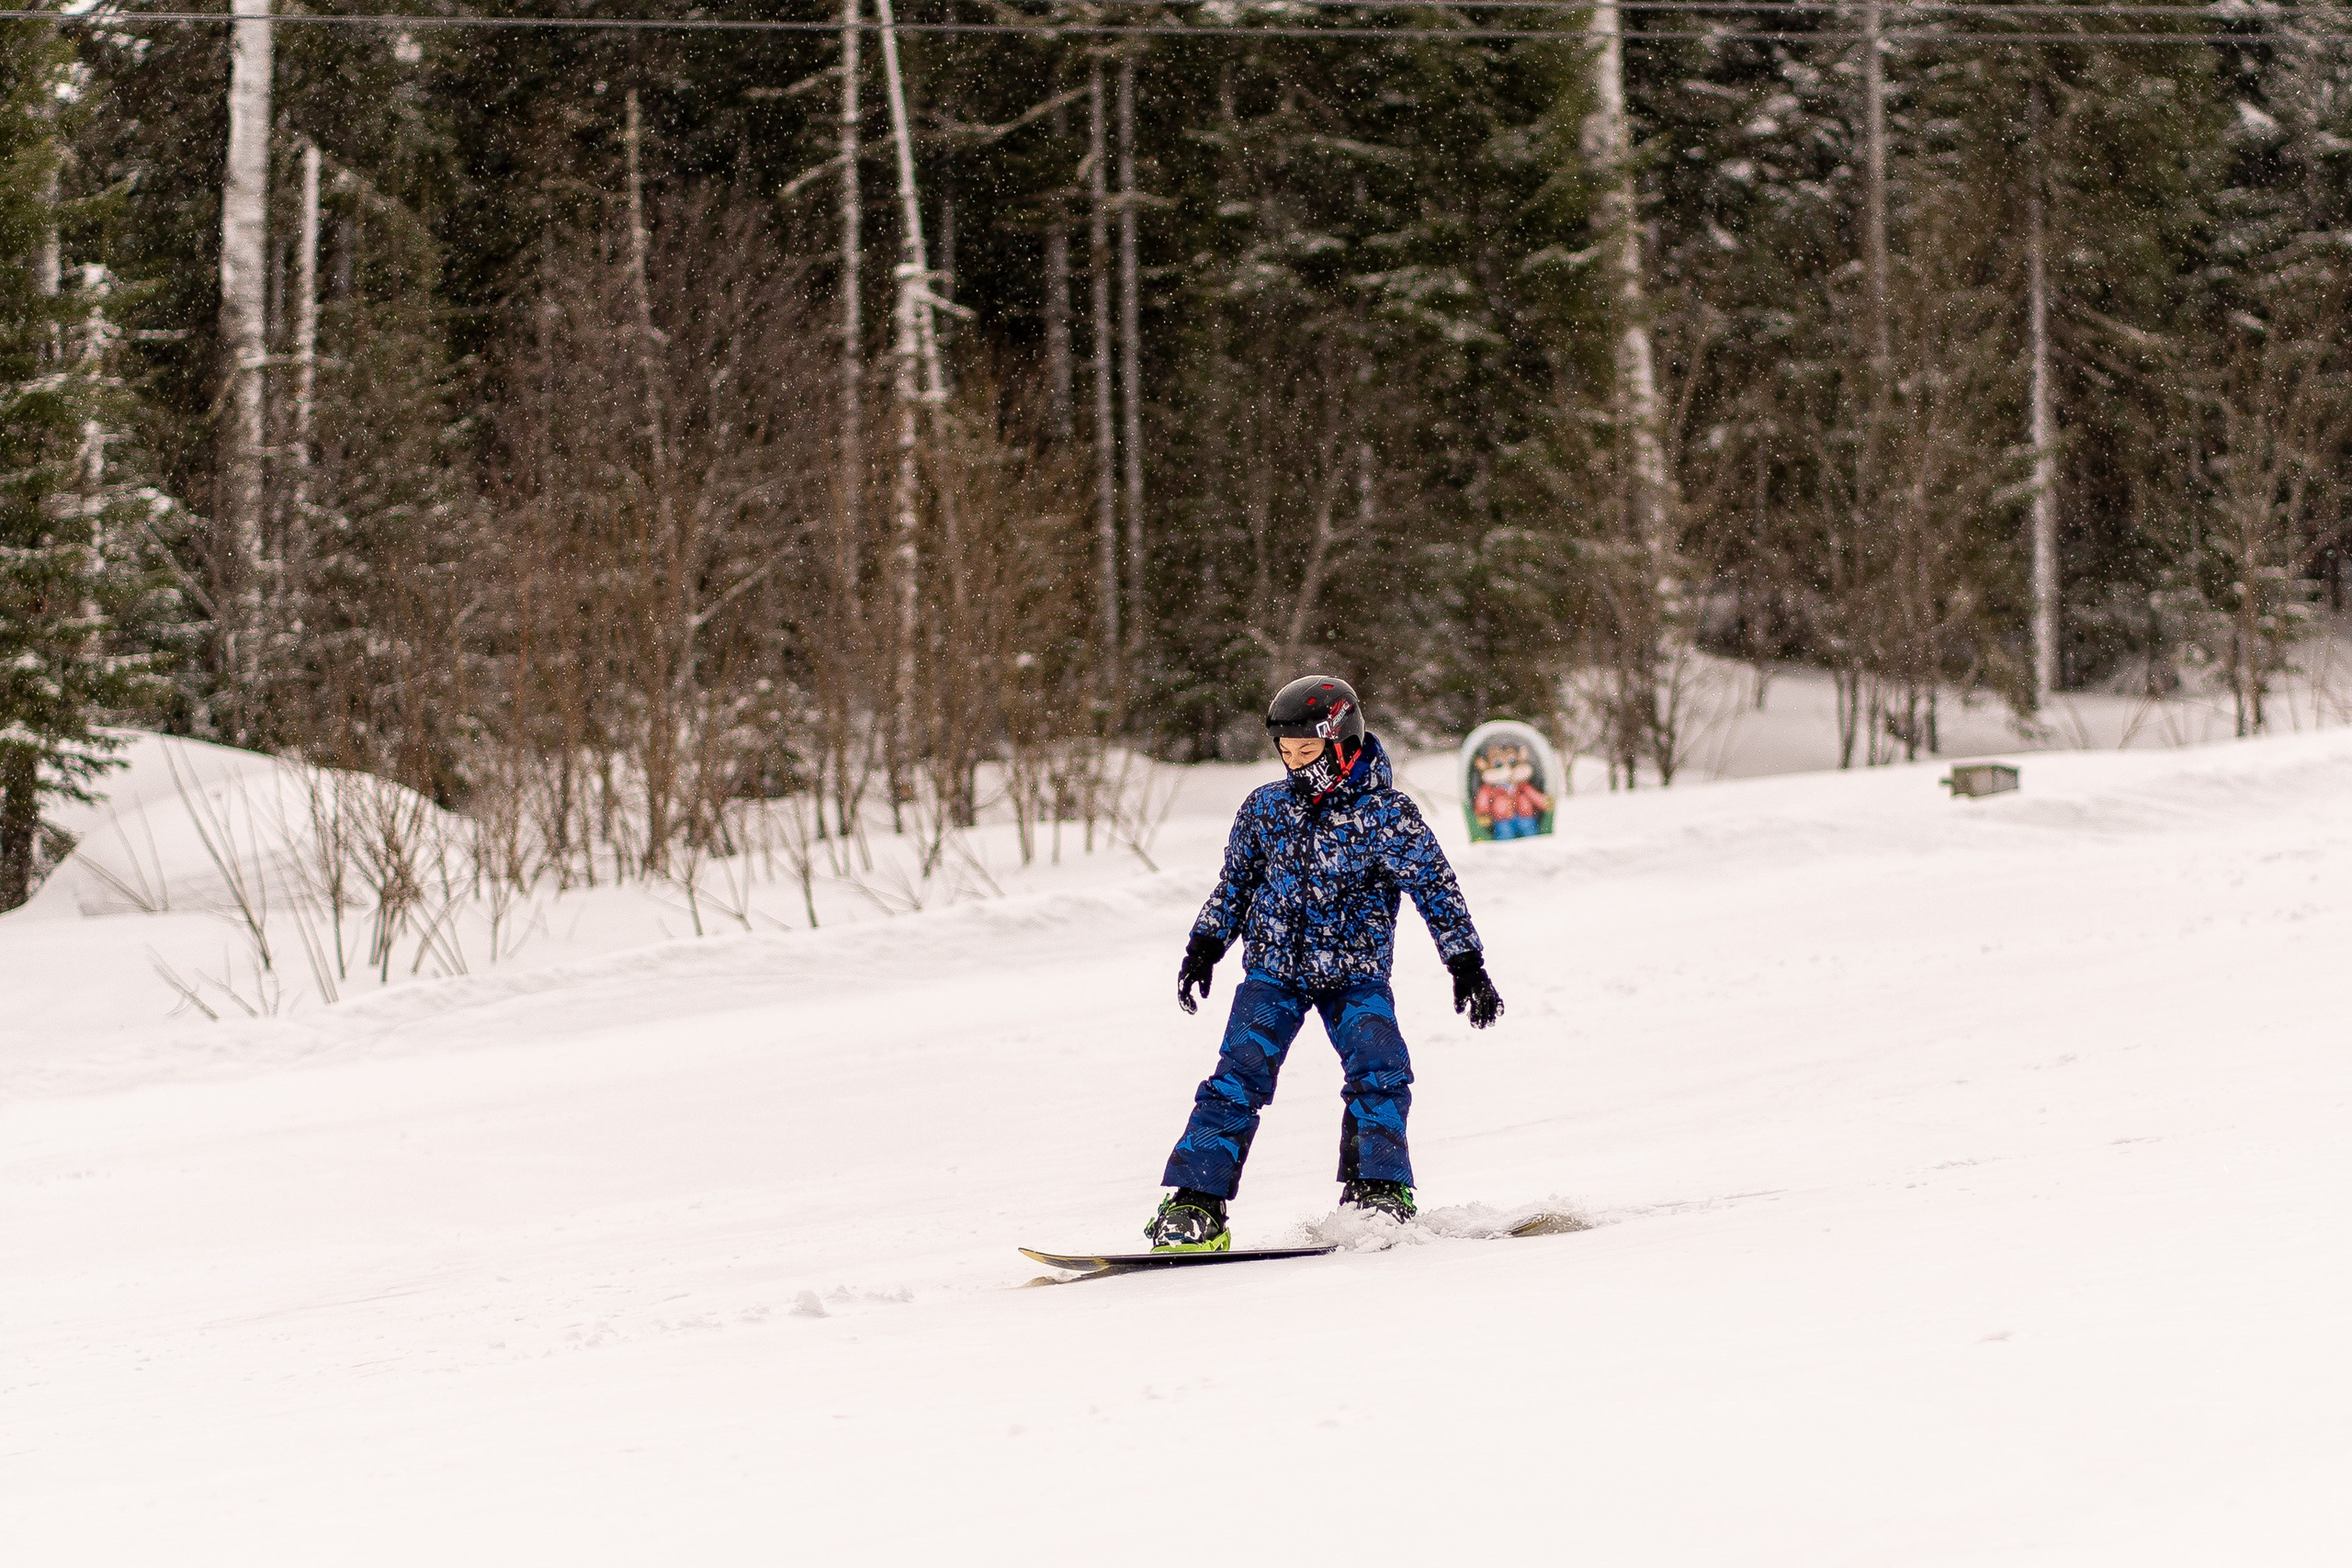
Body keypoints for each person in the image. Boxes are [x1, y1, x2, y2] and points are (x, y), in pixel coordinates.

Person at [1147, 675, 1506, 1252]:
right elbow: (1236, 884)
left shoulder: (1387, 815)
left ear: (1341, 741)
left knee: (1380, 1074)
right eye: (1285, 753)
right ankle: (1194, 1204)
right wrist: (1206, 944)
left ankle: (1379, 1192)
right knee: (1235, 1081)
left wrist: (1466, 963)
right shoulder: (1266, 809)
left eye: (1306, 752)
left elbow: (1436, 888)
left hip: (1354, 974)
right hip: (1273, 971)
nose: (1295, 764)